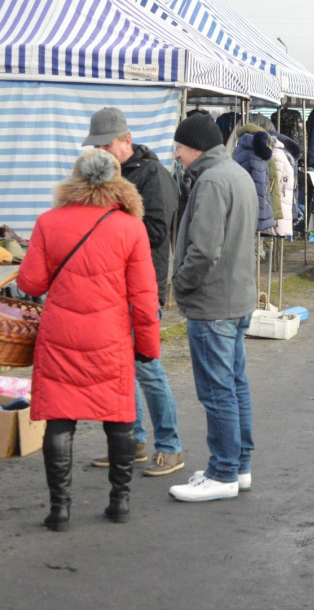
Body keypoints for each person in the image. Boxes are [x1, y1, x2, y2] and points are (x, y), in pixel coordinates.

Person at [18, 150, 160, 531]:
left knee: (60, 421)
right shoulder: (130, 228)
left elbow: (30, 283)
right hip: (110, 339)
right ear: (117, 182)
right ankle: (119, 503)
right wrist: (147, 346)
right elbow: (144, 298)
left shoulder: (48, 222)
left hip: (60, 337)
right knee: (119, 419)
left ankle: (60, 511)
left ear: (74, 180)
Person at [83, 107, 185, 477]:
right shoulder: (112, 174)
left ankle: (170, 447)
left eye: (105, 144)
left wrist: (110, 228)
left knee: (148, 368)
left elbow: (158, 233)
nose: (101, 151)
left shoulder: (154, 175)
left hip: (143, 288)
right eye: (96, 145)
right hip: (113, 286)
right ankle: (133, 442)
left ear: (125, 140)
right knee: (122, 370)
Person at [168, 112, 259, 503]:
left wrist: (180, 284)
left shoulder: (211, 181)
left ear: (195, 148)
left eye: (180, 149)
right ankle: (237, 466)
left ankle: (223, 471)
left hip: (213, 303)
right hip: (235, 298)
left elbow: (203, 250)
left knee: (218, 391)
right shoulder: (236, 173)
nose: (177, 156)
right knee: (234, 387)